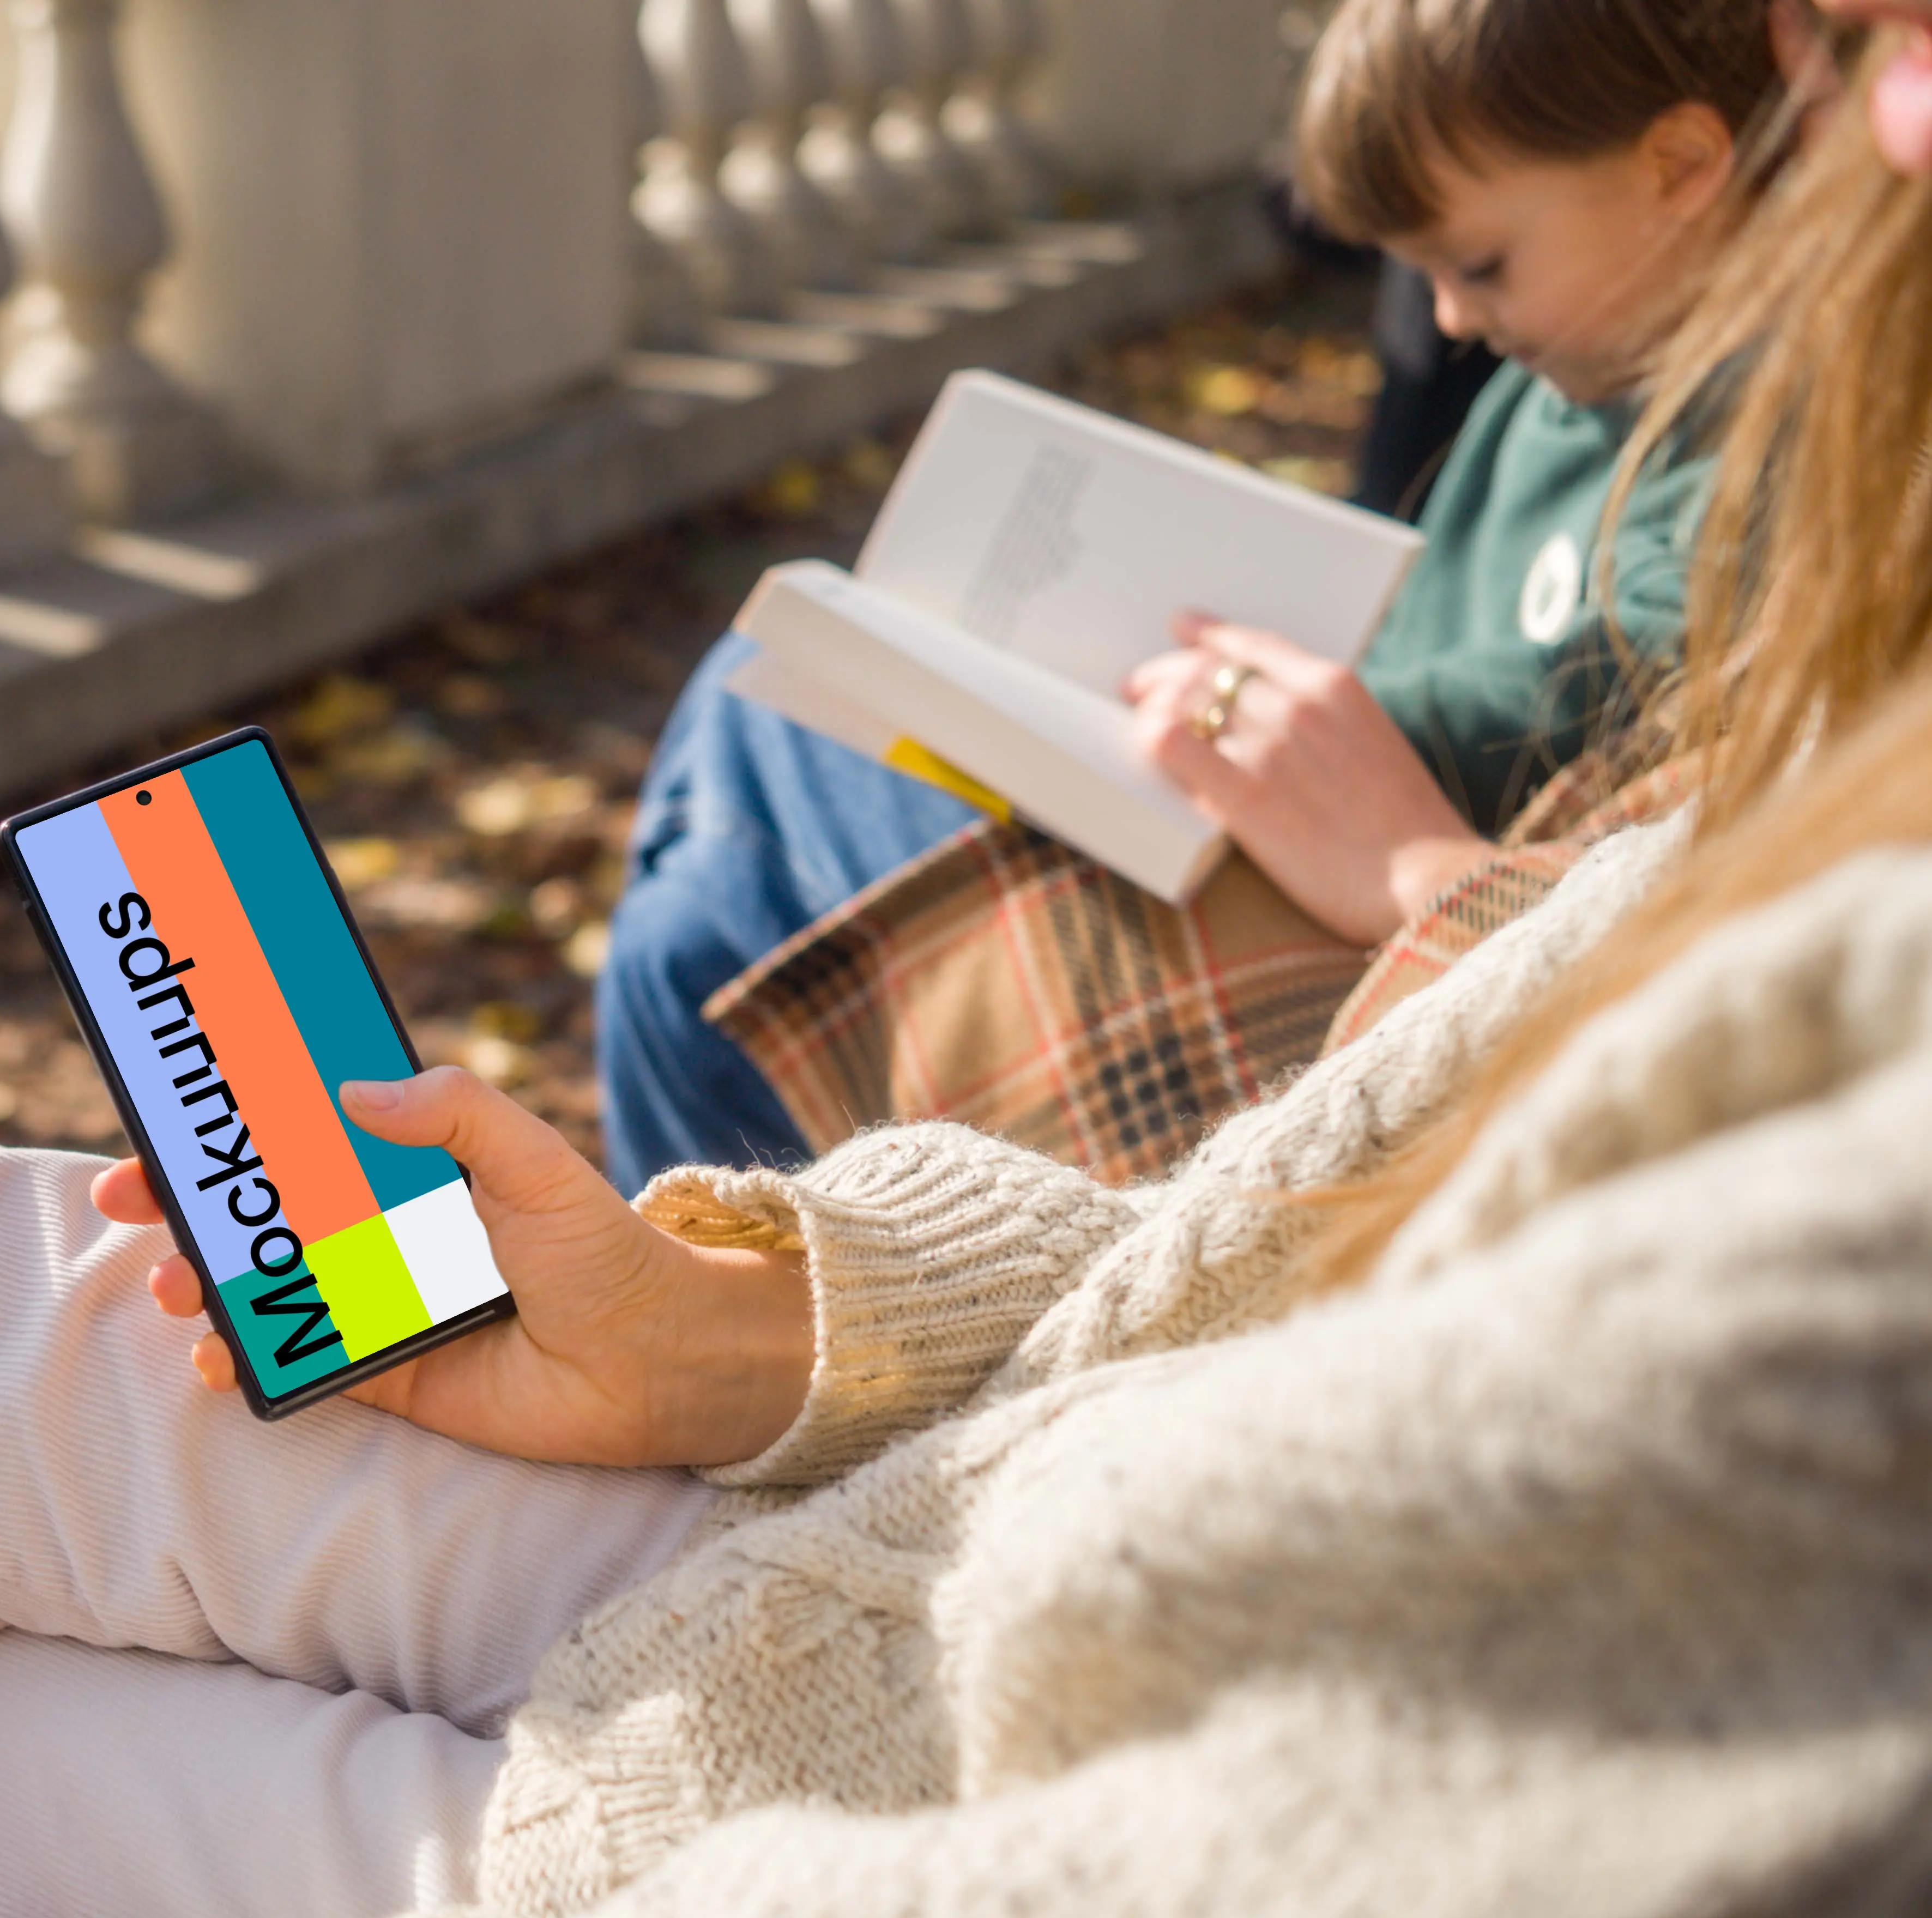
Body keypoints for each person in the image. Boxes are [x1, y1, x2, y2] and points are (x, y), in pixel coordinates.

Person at [0, 16, 1932, 1918]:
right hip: (937, 1529)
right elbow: (1310, 1228)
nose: (1868, 104)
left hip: (910, 1778)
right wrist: (742, 1323)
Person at [595, 0, 1790, 1196]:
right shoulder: (1583, 370)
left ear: (1683, 166)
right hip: (1340, 842)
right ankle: (620, 1330)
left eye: (1478, 264)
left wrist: (1304, 726)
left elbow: (1608, 674)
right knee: (682, 938)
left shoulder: (1773, 417)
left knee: (749, 741)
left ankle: (502, 1310)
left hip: (1377, 919)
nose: (1450, 317)